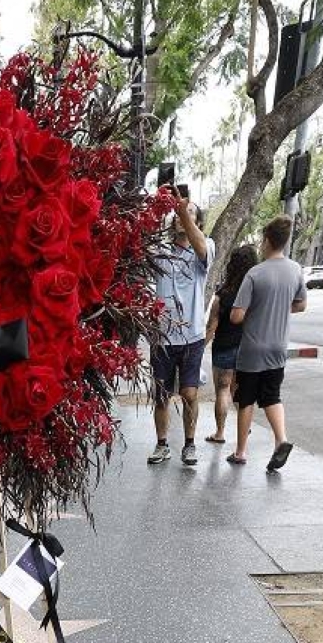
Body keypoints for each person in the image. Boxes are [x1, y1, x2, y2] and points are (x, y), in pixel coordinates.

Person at [227, 214, 307, 473]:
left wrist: (256, 311)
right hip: (278, 347)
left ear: (266, 240)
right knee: (272, 395)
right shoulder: (295, 270)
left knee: (246, 399)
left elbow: (236, 315)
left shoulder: (255, 273)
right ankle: (281, 440)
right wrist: (280, 308)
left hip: (252, 349)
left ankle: (240, 452)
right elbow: (301, 304)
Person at [148, 197, 215, 469]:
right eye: (177, 213)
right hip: (162, 338)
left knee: (189, 394)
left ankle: (189, 444)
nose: (179, 217)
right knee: (161, 395)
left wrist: (183, 213)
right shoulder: (159, 251)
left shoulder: (205, 248)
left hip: (192, 338)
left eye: (188, 214)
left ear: (197, 222)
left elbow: (200, 246)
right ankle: (162, 444)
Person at [204, 243, 258, 447]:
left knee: (222, 390)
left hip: (224, 348)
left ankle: (219, 432)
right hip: (246, 349)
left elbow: (211, 327)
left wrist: (200, 349)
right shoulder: (255, 293)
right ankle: (245, 425)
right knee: (239, 391)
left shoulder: (223, 295)